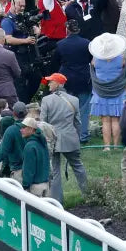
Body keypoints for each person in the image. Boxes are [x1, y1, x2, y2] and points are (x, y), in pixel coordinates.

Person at [40, 72, 87, 202]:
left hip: (52, 140)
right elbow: (77, 123)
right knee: (78, 166)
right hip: (70, 138)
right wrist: (76, 137)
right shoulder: (74, 100)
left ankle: (56, 201)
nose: (48, 84)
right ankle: (88, 194)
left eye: (51, 81)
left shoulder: (46, 100)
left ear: (58, 84)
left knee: (54, 172)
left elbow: (43, 123)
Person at [51, 19, 94, 144]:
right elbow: (90, 59)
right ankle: (83, 135)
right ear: (78, 30)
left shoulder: (60, 44)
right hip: (83, 79)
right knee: (84, 109)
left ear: (67, 30)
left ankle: (67, 134)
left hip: (67, 79)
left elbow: (55, 62)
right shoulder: (86, 43)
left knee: (66, 108)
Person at [89, 33, 126, 149]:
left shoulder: (95, 59)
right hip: (118, 90)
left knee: (105, 120)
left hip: (101, 91)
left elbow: (92, 66)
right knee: (116, 119)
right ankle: (116, 145)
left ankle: (106, 146)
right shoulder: (121, 59)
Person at [20, 117, 51, 196]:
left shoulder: (30, 146)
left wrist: (25, 186)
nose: (21, 130)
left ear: (31, 129)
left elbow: (29, 170)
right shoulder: (42, 142)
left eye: (24, 128)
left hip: (35, 188)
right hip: (46, 185)